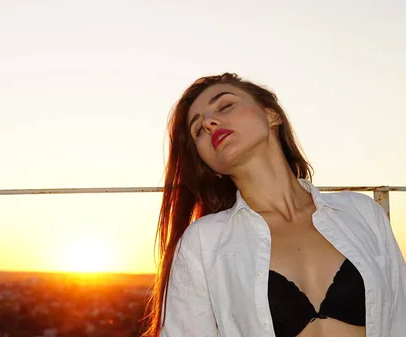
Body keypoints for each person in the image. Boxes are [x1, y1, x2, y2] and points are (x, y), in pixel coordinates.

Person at [142, 73, 406, 337]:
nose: (210, 123)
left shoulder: (362, 212)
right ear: (209, 164)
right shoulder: (203, 242)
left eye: (225, 106)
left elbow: (400, 320)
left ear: (272, 115)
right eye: (198, 129)